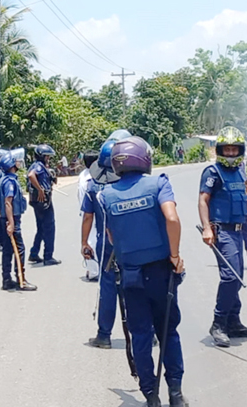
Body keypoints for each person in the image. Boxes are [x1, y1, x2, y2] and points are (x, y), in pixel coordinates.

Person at [101, 136, 188, 407]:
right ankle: (175, 392)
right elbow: (172, 218)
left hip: (131, 277)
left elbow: (112, 237)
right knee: (168, 333)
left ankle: (151, 396)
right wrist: (174, 256)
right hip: (161, 274)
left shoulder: (106, 195)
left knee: (140, 335)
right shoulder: (158, 183)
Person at [199, 127, 247, 348]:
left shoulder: (240, 170)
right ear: (220, 150)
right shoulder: (212, 172)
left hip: (237, 229)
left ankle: (233, 321)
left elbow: (244, 196)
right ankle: (218, 323)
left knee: (237, 276)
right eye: (227, 149)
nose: (231, 153)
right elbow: (203, 200)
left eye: (235, 149)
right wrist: (207, 228)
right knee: (230, 276)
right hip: (221, 230)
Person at [81, 131, 130, 348]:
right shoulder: (131, 186)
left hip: (106, 247)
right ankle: (147, 332)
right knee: (135, 287)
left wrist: (84, 243)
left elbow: (88, 216)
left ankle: (104, 335)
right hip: (131, 245)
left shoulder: (93, 186)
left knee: (108, 289)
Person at [0, 149, 37, 291]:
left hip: (6, 219)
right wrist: (11, 223)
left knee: (8, 250)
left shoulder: (6, 179)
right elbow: (8, 203)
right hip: (11, 219)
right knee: (19, 249)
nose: (19, 163)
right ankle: (21, 279)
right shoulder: (9, 182)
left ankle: (7, 279)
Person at [27, 144, 61, 266]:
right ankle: (48, 256)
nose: (48, 158)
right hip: (43, 200)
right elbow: (31, 175)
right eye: (47, 156)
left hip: (38, 201)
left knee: (41, 228)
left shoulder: (39, 166)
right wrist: (40, 189)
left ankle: (34, 253)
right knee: (49, 227)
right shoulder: (38, 166)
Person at [77, 150, 100, 281]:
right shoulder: (92, 178)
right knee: (91, 241)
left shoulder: (83, 175)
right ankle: (94, 271)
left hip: (86, 210)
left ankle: (94, 269)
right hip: (91, 212)